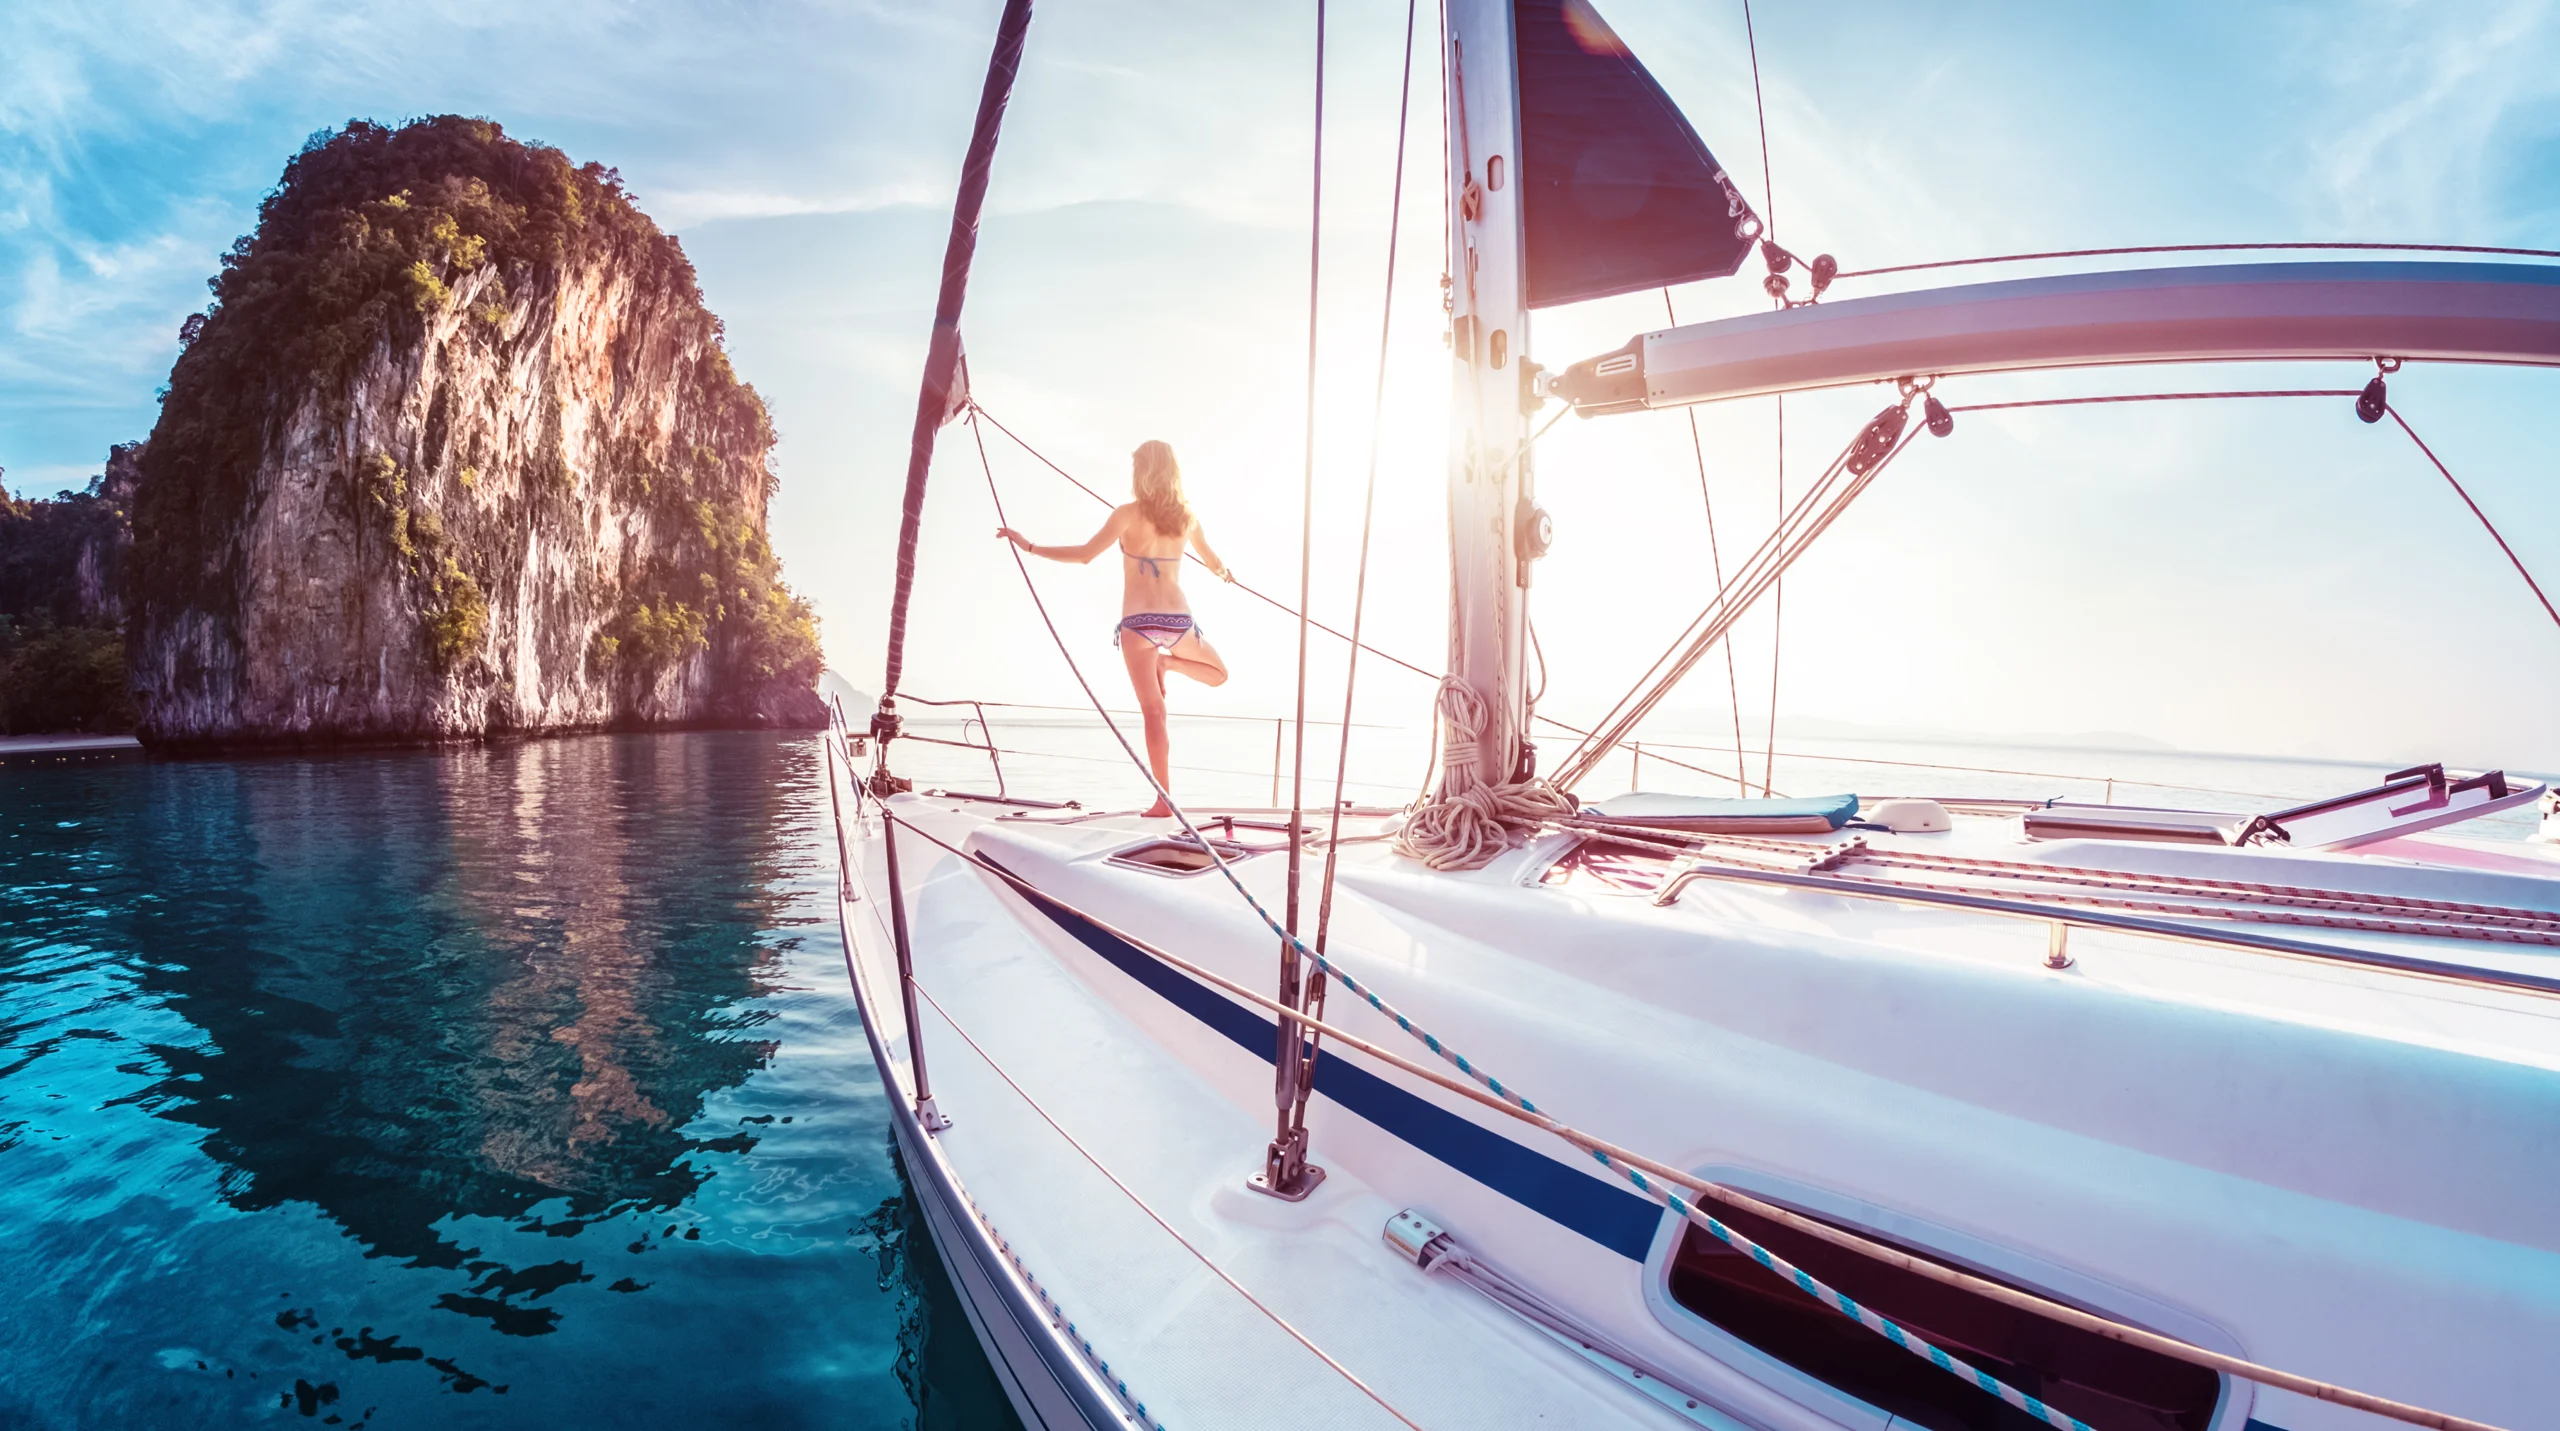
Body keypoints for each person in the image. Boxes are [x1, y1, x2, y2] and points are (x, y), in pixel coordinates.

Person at [1000, 439, 1232, 818]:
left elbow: (1085, 555)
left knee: (1154, 713)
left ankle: (1164, 800)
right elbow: (1214, 563)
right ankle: (1170, 664)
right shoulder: (1187, 518)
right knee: (1219, 675)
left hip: (1138, 625)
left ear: (1142, 472)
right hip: (1178, 622)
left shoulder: (1126, 514)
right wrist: (1225, 573)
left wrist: (1029, 547)